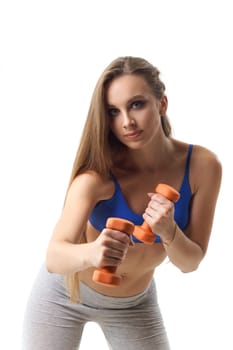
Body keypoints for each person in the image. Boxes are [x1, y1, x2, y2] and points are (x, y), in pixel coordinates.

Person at [22, 56, 222, 350]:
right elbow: (54, 257)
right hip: (65, 297)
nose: (126, 122)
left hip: (135, 305)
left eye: (137, 104)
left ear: (162, 103)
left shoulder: (203, 166)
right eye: (113, 111)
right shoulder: (96, 178)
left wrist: (168, 231)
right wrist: (93, 252)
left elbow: (189, 263)